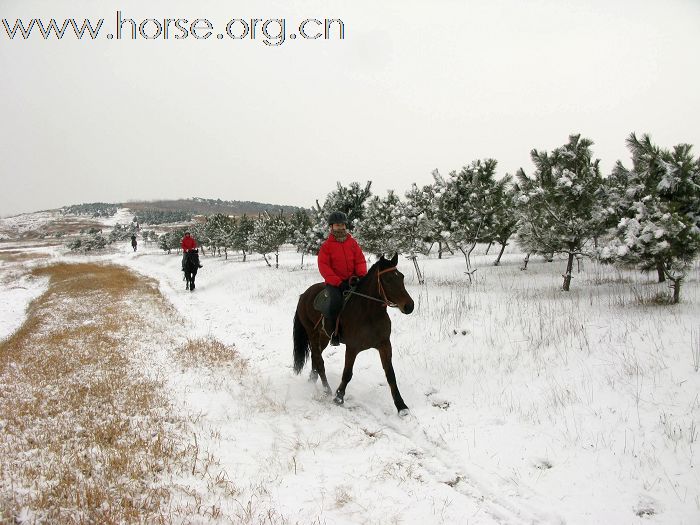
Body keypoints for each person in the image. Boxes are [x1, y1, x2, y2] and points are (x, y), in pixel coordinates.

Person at [317, 211, 367, 345]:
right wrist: (338, 283)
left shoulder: (352, 243)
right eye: (338, 225)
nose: (341, 227)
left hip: (353, 280)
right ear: (332, 227)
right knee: (336, 303)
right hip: (335, 284)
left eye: (343, 224)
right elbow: (324, 267)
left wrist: (361, 275)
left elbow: (360, 261)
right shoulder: (326, 246)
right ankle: (334, 333)